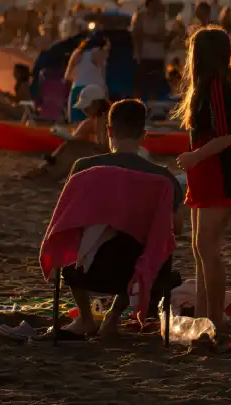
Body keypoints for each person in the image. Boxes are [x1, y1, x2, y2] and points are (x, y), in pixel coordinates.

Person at [52, 99, 184, 338]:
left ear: (109, 131)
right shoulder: (163, 179)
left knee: (74, 234)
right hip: (138, 271)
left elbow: (64, 219)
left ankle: (85, 318)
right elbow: (177, 227)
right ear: (143, 135)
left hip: (87, 271)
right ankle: (112, 318)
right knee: (154, 241)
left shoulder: (84, 168)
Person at [173, 26, 231, 331]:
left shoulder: (218, 85)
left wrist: (196, 156)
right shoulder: (207, 86)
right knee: (200, 247)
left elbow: (229, 135)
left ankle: (215, 316)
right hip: (204, 173)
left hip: (219, 173)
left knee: (207, 247)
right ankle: (204, 315)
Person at [131, 0, 168, 101]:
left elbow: (162, 36)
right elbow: (136, 35)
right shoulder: (141, 16)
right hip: (143, 56)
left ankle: (153, 104)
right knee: (140, 84)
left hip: (158, 56)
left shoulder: (161, 17)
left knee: (155, 84)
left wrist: (145, 35)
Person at [65, 34, 109, 123]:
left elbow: (67, 76)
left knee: (76, 123)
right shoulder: (100, 53)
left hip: (77, 89)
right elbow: (102, 75)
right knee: (97, 122)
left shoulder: (77, 54)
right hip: (95, 90)